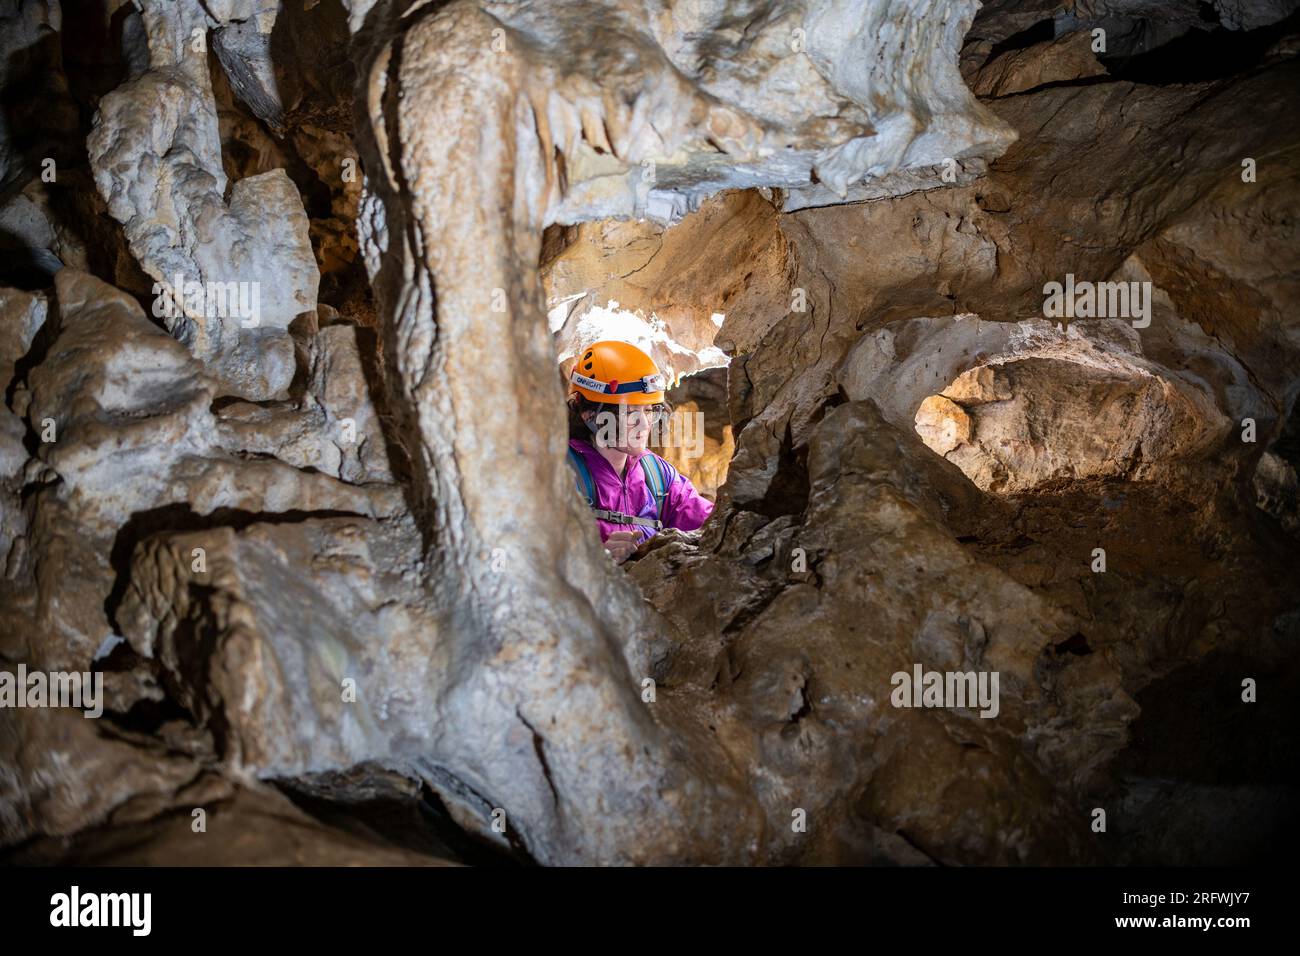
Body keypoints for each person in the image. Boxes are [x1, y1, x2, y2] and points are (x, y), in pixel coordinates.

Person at [566, 340, 714, 564]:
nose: (644, 425)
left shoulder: (657, 475)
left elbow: (712, 524)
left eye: (648, 410)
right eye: (629, 412)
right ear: (589, 414)